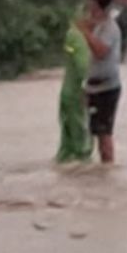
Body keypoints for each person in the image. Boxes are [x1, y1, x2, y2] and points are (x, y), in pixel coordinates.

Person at [77, 0, 123, 164]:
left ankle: (108, 165)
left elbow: (101, 51)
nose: (87, 4)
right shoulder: (97, 25)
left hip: (108, 87)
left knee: (104, 133)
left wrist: (86, 33)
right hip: (93, 86)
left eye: (90, 0)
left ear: (97, 3)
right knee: (95, 131)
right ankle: (103, 169)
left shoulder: (110, 28)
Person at [56, 22, 95, 164]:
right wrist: (87, 87)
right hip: (76, 93)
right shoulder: (79, 37)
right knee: (81, 140)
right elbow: (82, 66)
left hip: (67, 92)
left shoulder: (71, 34)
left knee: (67, 136)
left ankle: (65, 161)